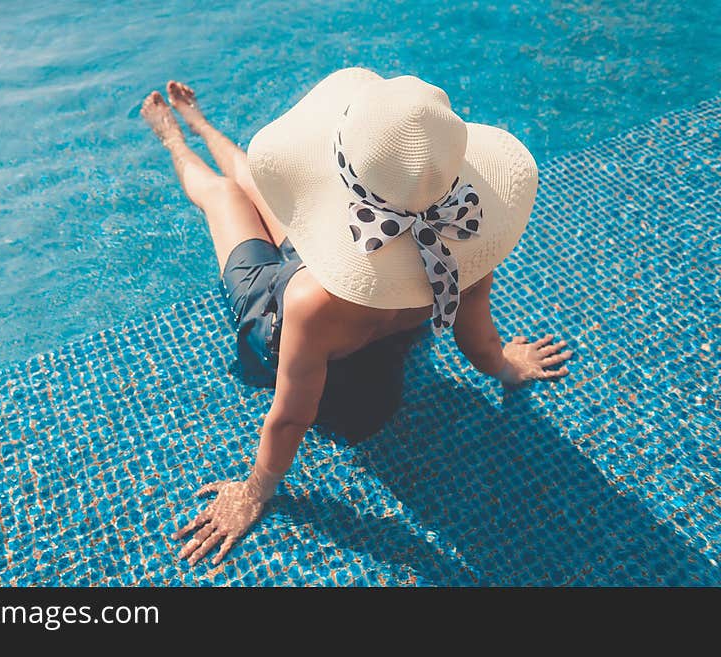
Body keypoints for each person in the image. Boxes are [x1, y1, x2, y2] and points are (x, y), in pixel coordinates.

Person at [139, 68, 573, 567]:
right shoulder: (466, 251)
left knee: (227, 195)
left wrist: (255, 491)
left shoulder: (310, 305)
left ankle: (176, 136)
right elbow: (475, 340)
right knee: (248, 183)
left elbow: (290, 418)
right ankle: (196, 123)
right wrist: (504, 365)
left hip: (272, 306)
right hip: (331, 284)